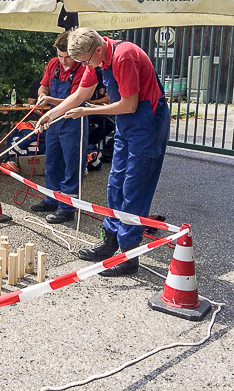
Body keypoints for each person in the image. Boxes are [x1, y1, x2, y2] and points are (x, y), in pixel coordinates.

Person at [36, 27, 170, 276]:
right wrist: (51, 114)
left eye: (86, 61)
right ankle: (110, 240)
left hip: (147, 123)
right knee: (115, 183)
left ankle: (128, 254)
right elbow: (81, 94)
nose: (87, 66)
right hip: (127, 124)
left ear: (97, 50)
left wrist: (87, 111)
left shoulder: (124, 56)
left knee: (135, 187)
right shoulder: (96, 57)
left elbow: (129, 105)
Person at [30, 31, 95, 224]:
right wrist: (42, 95)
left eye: (67, 57)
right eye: (60, 56)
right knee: (52, 161)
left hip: (73, 120)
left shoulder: (83, 68)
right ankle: (51, 199)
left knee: (72, 164)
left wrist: (51, 100)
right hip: (53, 121)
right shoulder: (53, 64)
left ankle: (67, 208)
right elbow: (43, 86)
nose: (64, 61)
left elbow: (77, 99)